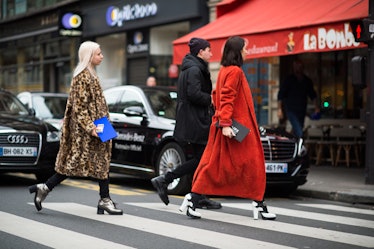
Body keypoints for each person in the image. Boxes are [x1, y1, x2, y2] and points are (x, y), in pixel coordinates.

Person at [179, 36, 276, 220]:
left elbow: (216, 96)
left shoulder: (225, 70)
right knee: (251, 165)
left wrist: (223, 121)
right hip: (235, 128)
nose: (247, 51)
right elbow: (226, 97)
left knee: (216, 166)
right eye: (245, 48)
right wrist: (225, 123)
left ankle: (193, 199)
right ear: (238, 51)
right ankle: (258, 205)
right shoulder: (235, 72)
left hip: (231, 126)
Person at [28, 41, 123, 215]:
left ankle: (104, 199)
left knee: (103, 161)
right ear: (89, 56)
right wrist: (90, 127)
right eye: (98, 54)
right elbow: (79, 107)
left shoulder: (92, 74)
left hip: (101, 122)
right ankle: (45, 187)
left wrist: (102, 125)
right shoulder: (81, 76)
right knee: (73, 165)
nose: (102, 56)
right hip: (89, 128)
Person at [150, 37, 221, 210]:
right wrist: (210, 99)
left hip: (193, 120)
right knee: (202, 160)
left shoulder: (190, 67)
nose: (211, 53)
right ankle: (165, 179)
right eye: (208, 50)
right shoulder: (195, 69)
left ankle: (200, 195)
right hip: (196, 121)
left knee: (200, 159)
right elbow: (194, 94)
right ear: (200, 52)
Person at [277, 59, 320, 138]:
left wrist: (316, 107)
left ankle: (291, 146)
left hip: (302, 110)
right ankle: (298, 146)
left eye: (299, 66)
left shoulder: (306, 81)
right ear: (293, 67)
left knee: (297, 130)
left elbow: (312, 95)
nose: (298, 68)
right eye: (296, 66)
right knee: (299, 132)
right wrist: (279, 109)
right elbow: (281, 94)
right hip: (291, 110)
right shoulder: (289, 80)